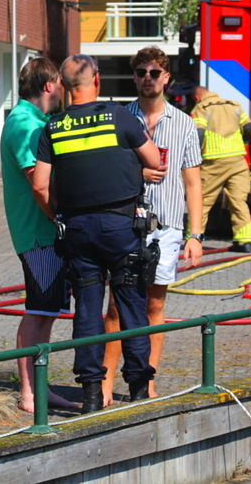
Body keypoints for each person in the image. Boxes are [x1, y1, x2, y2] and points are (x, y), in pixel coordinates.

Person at [32, 54, 161, 414]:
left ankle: (91, 394)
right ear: (98, 80)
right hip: (121, 227)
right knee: (131, 306)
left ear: (62, 85)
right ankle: (138, 390)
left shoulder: (53, 127)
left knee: (87, 311)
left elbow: (40, 185)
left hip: (77, 230)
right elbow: (154, 161)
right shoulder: (119, 116)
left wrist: (57, 216)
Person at [102, 47, 203, 404]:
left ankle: (147, 381)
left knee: (154, 307)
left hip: (167, 226)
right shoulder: (117, 118)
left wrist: (195, 235)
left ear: (166, 78)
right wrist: (136, 173)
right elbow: (105, 169)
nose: (148, 78)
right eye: (142, 72)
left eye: (155, 72)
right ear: (134, 77)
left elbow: (193, 183)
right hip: (124, 224)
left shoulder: (185, 123)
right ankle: (105, 383)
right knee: (116, 307)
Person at [0, 57, 75, 413]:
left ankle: (38, 388)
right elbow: (38, 183)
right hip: (38, 233)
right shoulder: (25, 124)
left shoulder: (35, 121)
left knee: (47, 311)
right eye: (60, 83)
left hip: (42, 231)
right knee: (38, 310)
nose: (63, 90)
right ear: (48, 85)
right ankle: (29, 393)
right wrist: (58, 217)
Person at [191, 86, 251, 253]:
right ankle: (244, 242)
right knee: (239, 202)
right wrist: (243, 143)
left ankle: (194, 239)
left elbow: (199, 132)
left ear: (197, 98)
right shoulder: (234, 104)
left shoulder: (201, 107)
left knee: (201, 202)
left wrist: (195, 154)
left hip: (214, 162)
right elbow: (249, 127)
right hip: (237, 161)